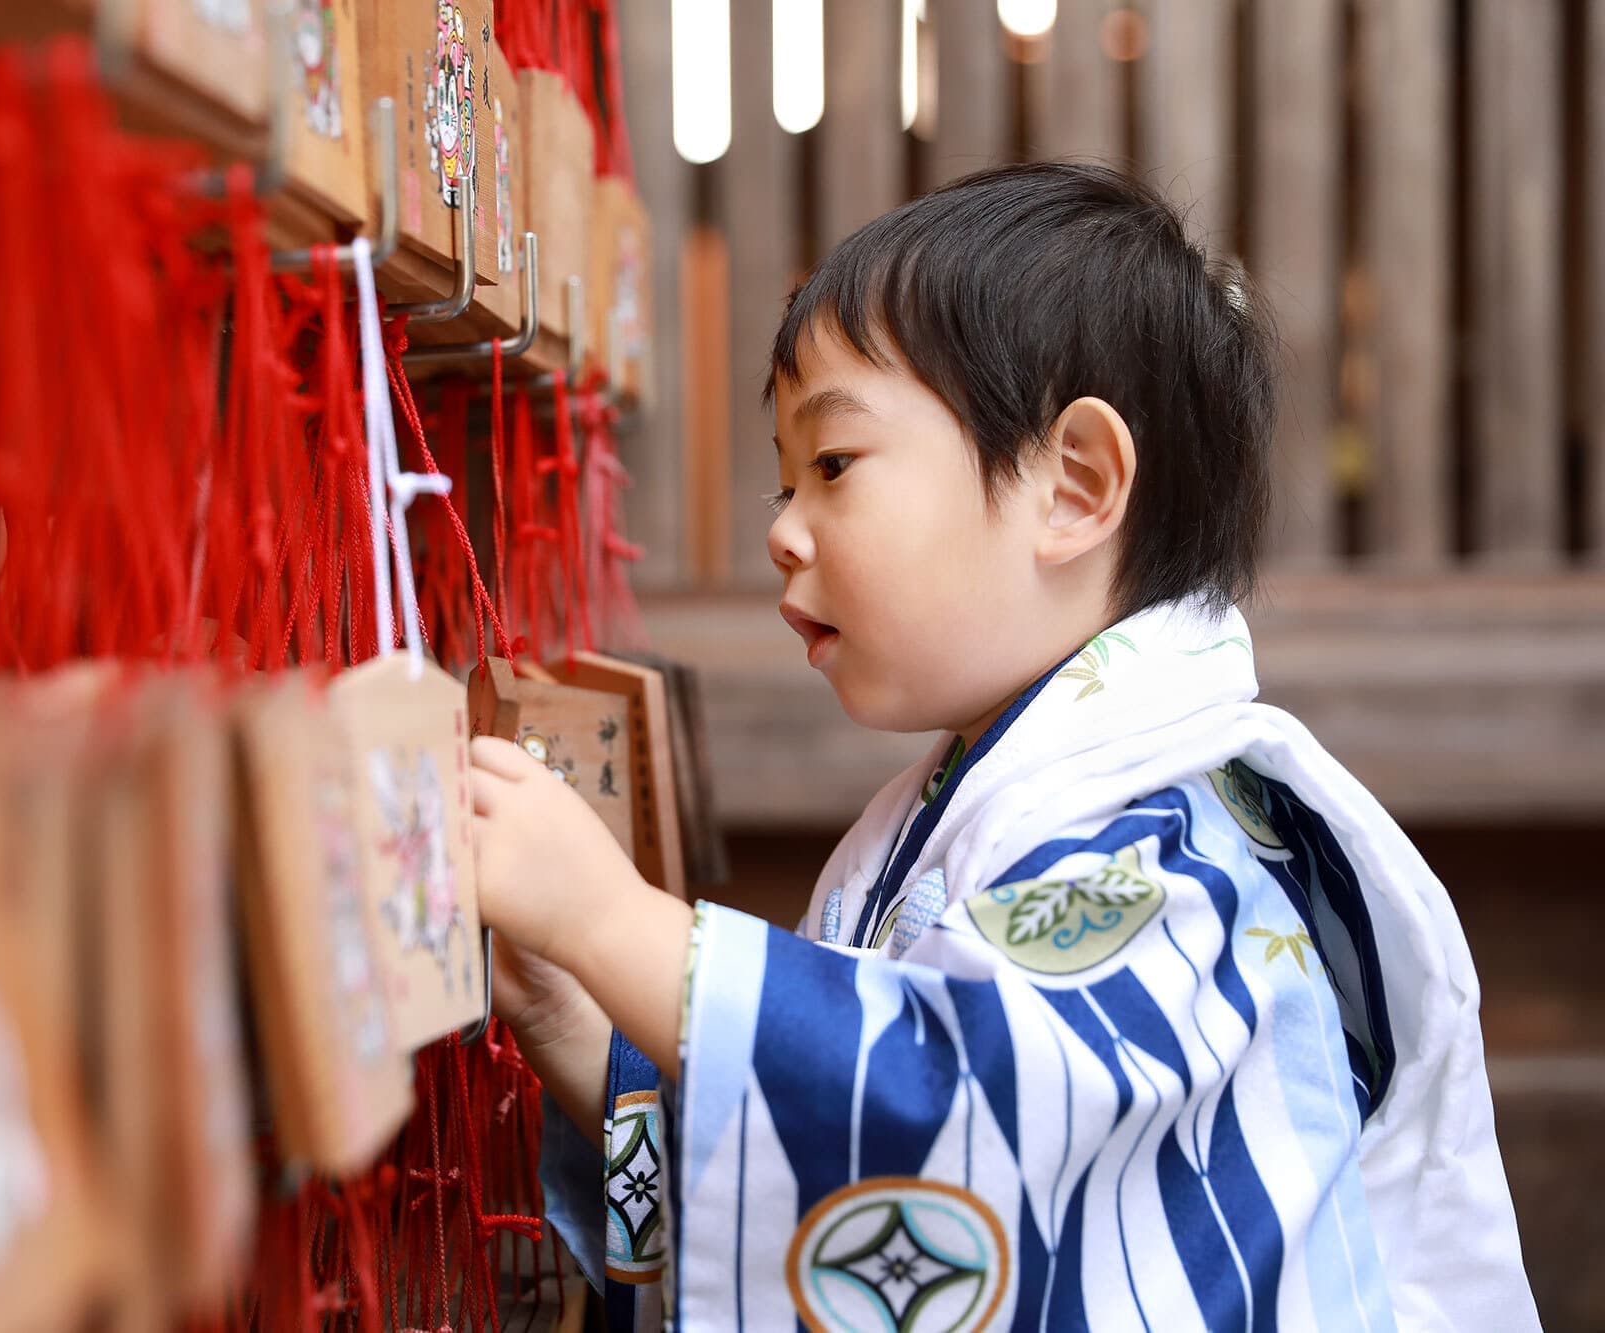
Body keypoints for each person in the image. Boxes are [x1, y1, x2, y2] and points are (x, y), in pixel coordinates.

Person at [467, 163, 1537, 1331]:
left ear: (1073, 486)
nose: (780, 531)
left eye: (831, 465)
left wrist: (605, 919)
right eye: (782, 480)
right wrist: (578, 1029)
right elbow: (821, 1204)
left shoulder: (1178, 861)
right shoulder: (960, 817)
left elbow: (954, 1109)